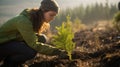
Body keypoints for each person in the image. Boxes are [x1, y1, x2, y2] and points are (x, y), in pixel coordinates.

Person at [0, 0, 68, 67]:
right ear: (43, 11)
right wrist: (58, 52)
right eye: (51, 15)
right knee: (30, 52)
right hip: (2, 44)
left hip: (11, 42)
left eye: (54, 16)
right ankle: (9, 64)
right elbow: (34, 44)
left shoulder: (34, 18)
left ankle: (15, 62)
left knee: (41, 38)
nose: (53, 18)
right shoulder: (24, 21)